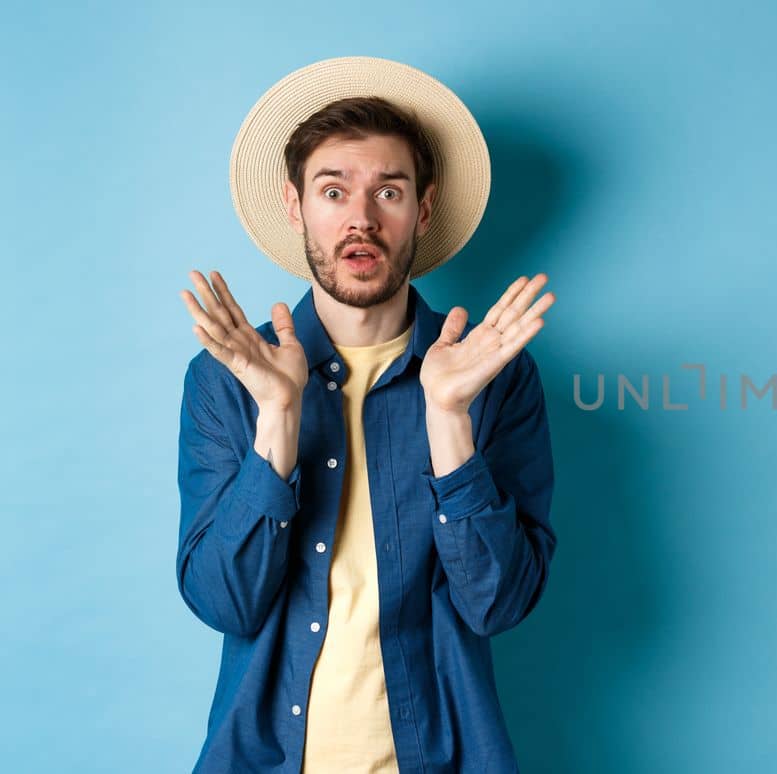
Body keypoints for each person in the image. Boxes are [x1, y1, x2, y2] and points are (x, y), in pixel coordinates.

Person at [175, 57, 556, 773]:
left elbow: (497, 605)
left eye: (389, 190)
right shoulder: (225, 379)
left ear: (425, 207)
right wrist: (278, 420)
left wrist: (449, 421)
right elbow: (225, 602)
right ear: (295, 208)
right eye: (333, 190)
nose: (361, 217)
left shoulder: (495, 378)